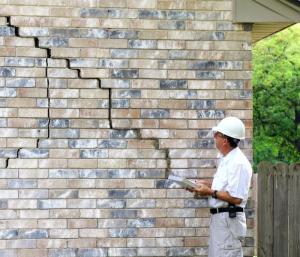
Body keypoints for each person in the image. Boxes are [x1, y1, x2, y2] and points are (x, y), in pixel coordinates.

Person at [187, 116, 252, 257]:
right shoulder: (227, 160)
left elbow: (236, 197)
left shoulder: (238, 163)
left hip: (228, 221)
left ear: (225, 140)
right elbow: (225, 187)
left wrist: (209, 191)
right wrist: (202, 185)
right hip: (221, 221)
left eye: (217, 134)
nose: (214, 137)